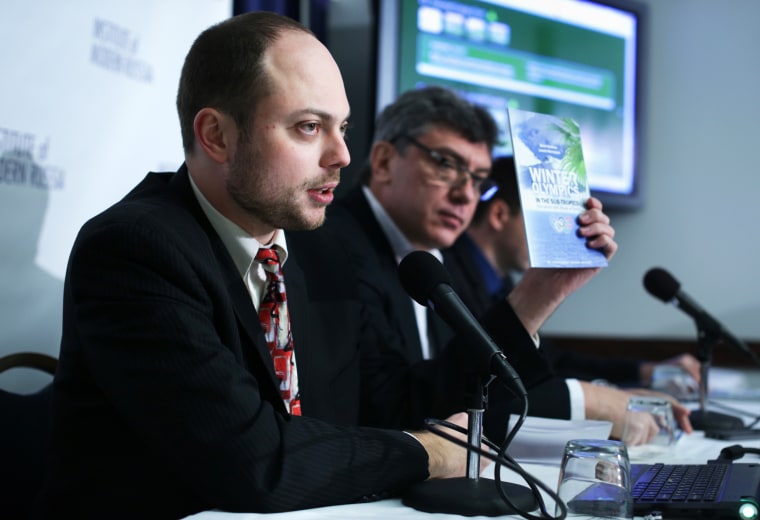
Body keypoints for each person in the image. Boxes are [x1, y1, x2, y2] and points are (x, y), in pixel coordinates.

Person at [33, 12, 517, 519]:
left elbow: (381, 411)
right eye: (309, 127)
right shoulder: (135, 251)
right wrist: (432, 452)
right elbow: (254, 464)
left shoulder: (323, 250)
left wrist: (541, 292)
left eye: (343, 127)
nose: (342, 155)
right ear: (217, 136)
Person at [324, 86, 693, 443]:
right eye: (446, 164)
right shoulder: (334, 247)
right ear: (385, 161)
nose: (465, 194)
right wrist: (588, 402)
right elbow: (392, 413)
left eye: (478, 179)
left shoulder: (440, 257)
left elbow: (471, 387)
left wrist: (546, 287)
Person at [444, 155, 702, 389]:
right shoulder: (443, 277)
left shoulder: (501, 283)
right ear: (499, 215)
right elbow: (476, 381)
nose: (555, 232)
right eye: (542, 220)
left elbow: (552, 361)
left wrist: (645, 372)